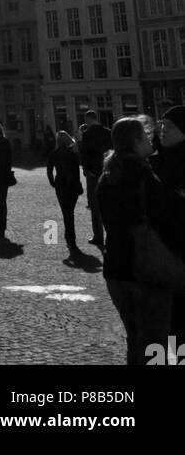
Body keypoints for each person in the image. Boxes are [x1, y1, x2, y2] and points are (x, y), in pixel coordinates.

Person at [97, 115, 185, 366]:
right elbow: (167, 214)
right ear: (136, 141)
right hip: (145, 268)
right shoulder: (141, 172)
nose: (152, 139)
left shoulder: (108, 173)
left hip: (116, 267)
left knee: (135, 340)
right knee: (154, 344)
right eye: (146, 136)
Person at [151, 105, 185, 349]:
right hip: (160, 252)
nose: (163, 129)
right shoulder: (154, 161)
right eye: (161, 124)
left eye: (170, 125)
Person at [78, 110, 112, 248]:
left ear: (87, 119)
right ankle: (111, 233)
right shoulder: (108, 132)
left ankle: (98, 236)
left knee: (95, 205)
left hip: (93, 172)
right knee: (108, 203)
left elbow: (84, 154)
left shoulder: (87, 134)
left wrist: (86, 170)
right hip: (106, 170)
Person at [46, 130, 83, 252]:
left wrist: (52, 182)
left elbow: (49, 169)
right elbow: (76, 171)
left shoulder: (54, 153)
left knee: (66, 213)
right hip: (72, 186)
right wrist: (78, 185)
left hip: (60, 185)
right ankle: (71, 239)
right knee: (70, 212)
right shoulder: (72, 154)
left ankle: (70, 239)